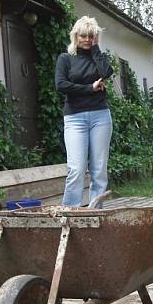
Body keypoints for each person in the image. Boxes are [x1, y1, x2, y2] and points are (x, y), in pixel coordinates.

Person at [55, 16, 114, 207]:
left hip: (100, 116)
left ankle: (95, 212)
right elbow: (61, 85)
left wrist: (96, 49)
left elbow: (106, 72)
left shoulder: (98, 57)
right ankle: (69, 213)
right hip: (74, 118)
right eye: (83, 36)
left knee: (99, 169)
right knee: (77, 168)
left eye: (91, 36)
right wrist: (90, 88)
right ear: (75, 36)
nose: (87, 40)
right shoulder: (66, 58)